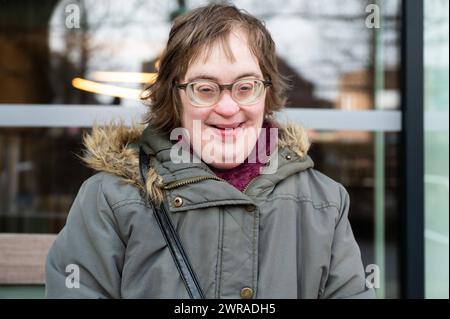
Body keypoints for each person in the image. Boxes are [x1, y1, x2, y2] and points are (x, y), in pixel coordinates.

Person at [45, 4, 375, 299]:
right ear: (174, 98)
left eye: (246, 87)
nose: (228, 107)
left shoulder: (325, 204)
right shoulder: (109, 200)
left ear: (266, 93)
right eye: (205, 89)